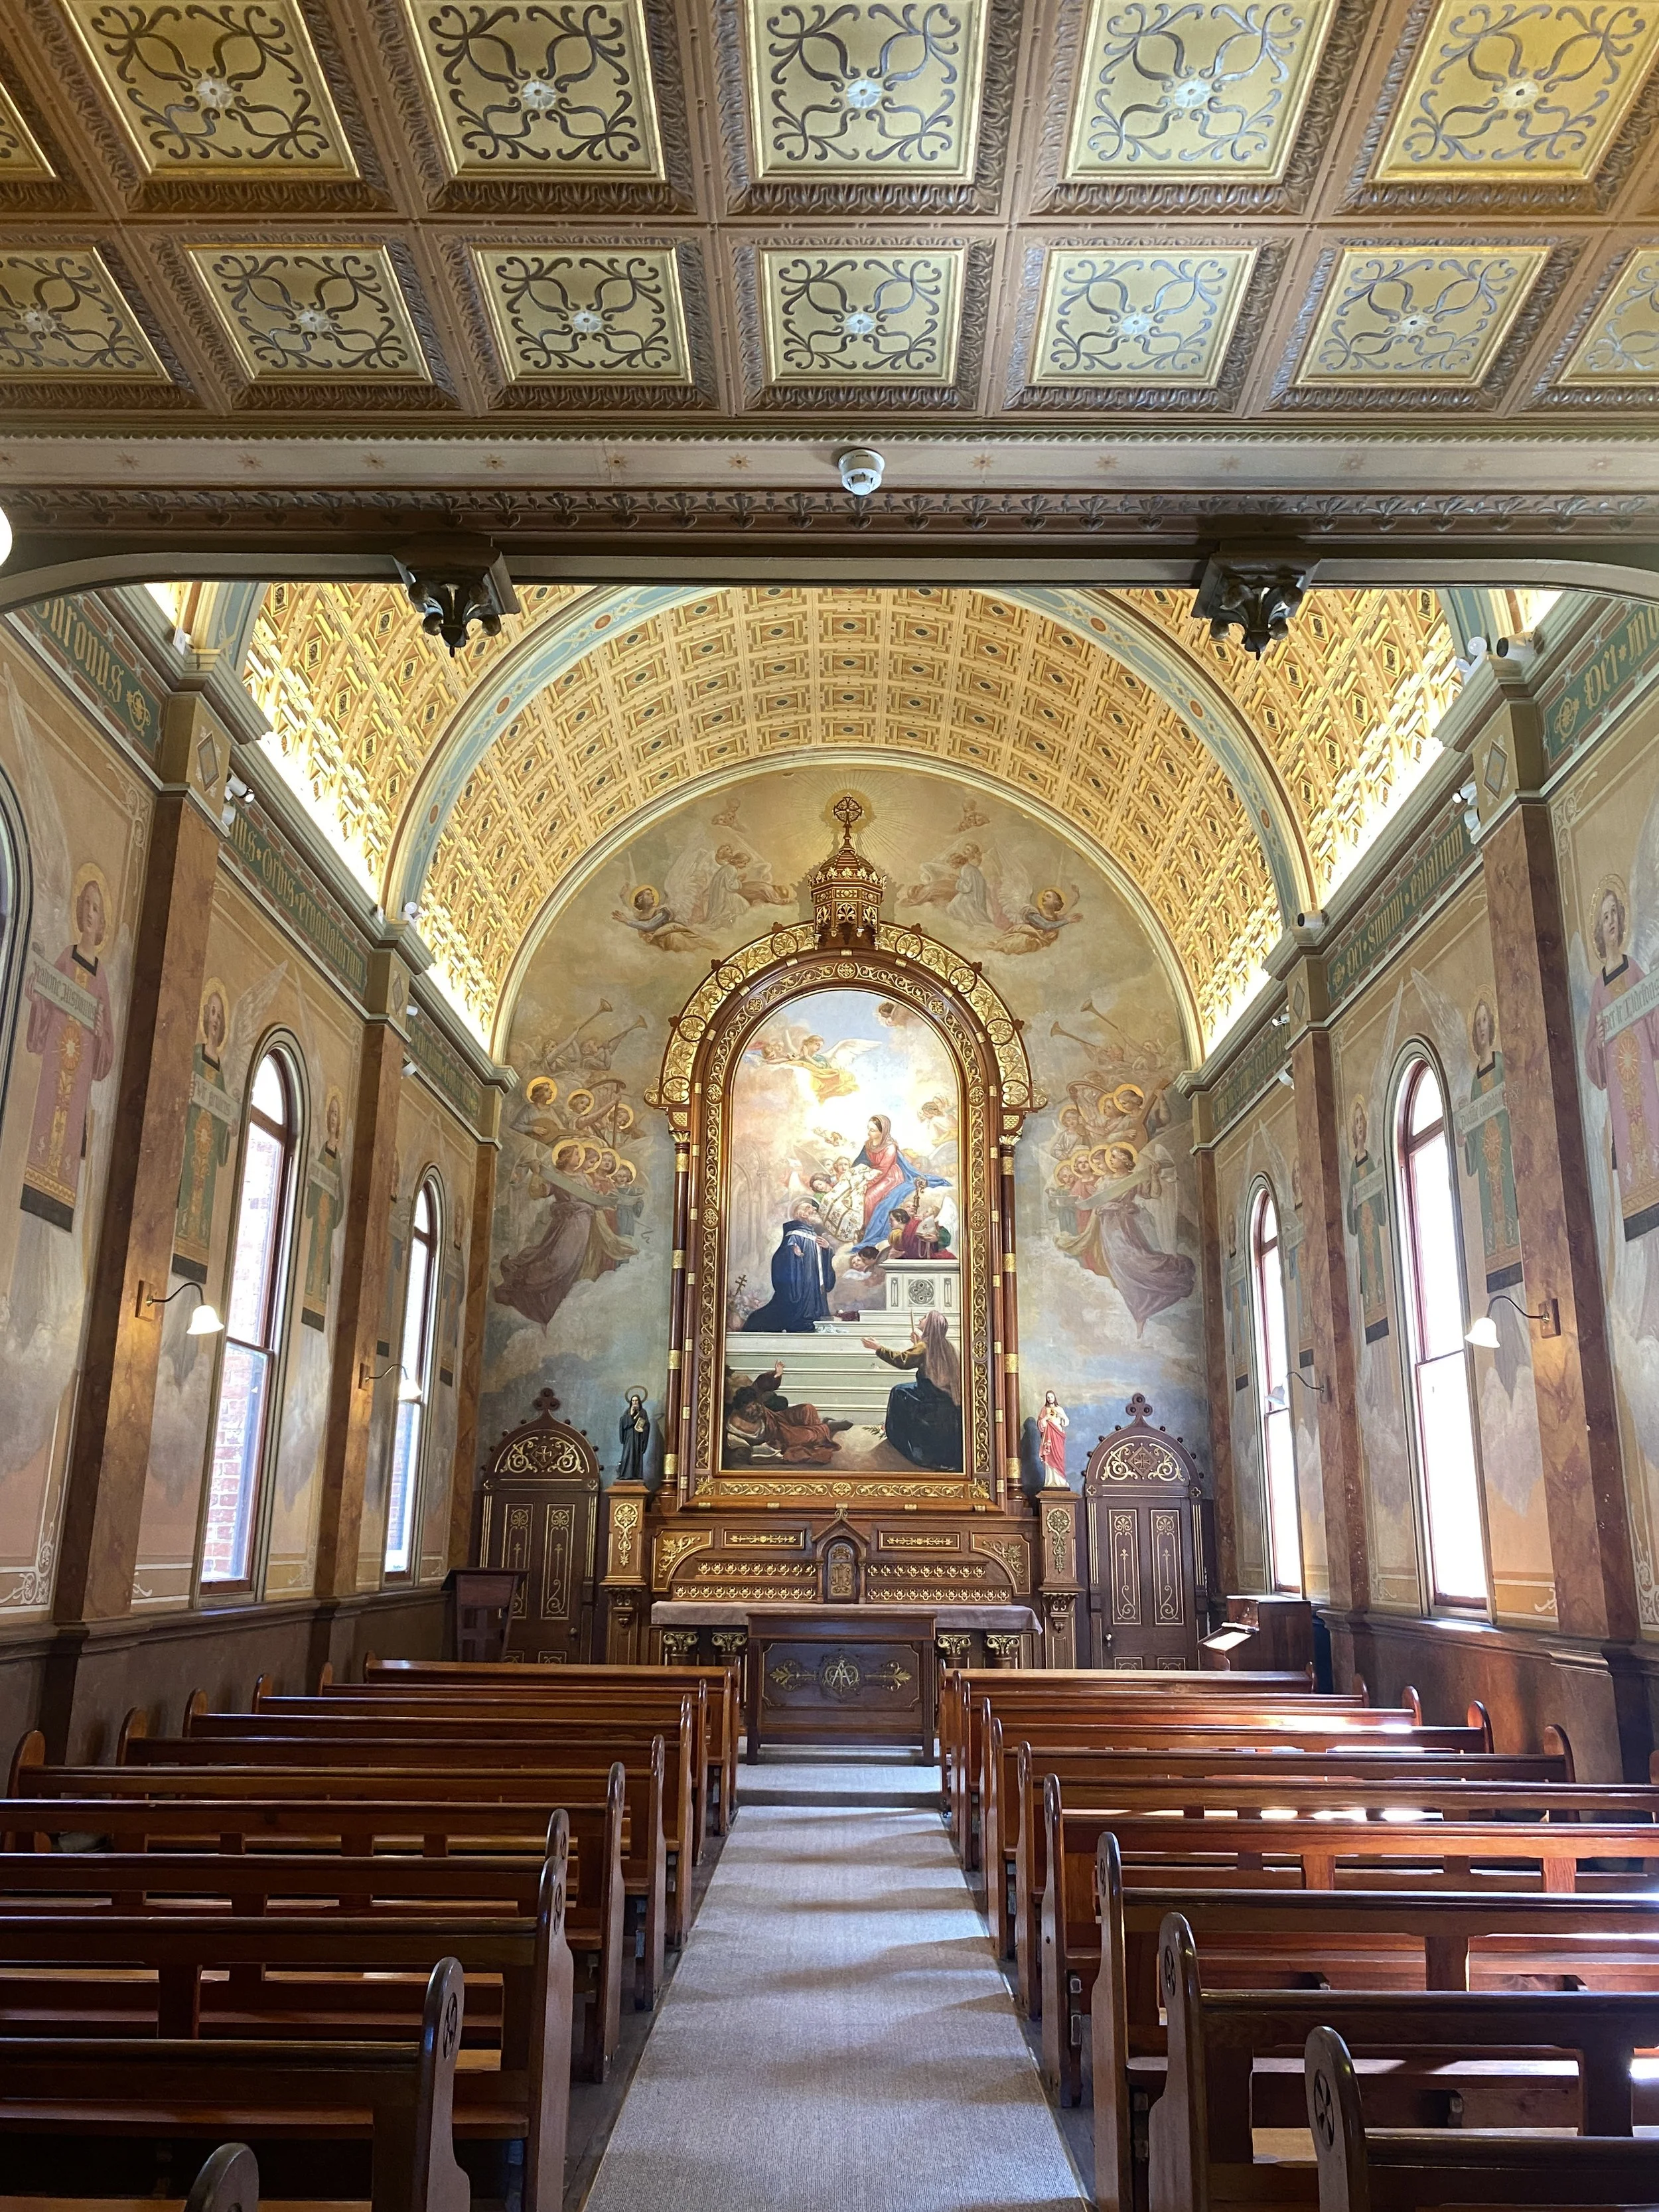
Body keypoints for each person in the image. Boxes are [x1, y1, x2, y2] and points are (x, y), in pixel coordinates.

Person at [861, 1309, 962, 1471]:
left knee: (899, 1392)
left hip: (930, 1394)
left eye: (924, 1318)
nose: (921, 1319)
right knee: (903, 1389)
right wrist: (919, 1343)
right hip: (945, 1395)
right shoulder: (946, 1345)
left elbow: (903, 1361)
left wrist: (878, 1348)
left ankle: (898, 1440)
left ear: (929, 1325)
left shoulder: (924, 1345)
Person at [743, 1199, 837, 1331]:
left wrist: (827, 1249)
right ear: (803, 1214)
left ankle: (813, 1318)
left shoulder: (814, 1235)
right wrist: (792, 1255)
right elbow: (781, 1258)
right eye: (810, 1208)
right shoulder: (795, 1234)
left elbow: (821, 1262)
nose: (815, 1210)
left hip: (814, 1285)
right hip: (803, 1284)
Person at [853, 1113, 946, 1244]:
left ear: (883, 1131)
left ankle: (867, 1229)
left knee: (869, 1197)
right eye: (869, 1129)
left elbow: (883, 1169)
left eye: (873, 1130)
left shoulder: (890, 1147)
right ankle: (859, 1226)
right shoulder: (868, 1144)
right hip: (873, 1174)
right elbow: (861, 1161)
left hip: (890, 1176)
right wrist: (856, 1173)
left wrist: (867, 1183)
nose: (869, 1133)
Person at [1037, 1390, 1070, 1487]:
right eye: (1048, 1397)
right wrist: (1045, 1418)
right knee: (1050, 1456)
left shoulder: (1059, 1409)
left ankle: (1061, 1481)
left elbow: (1066, 1422)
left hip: (1058, 1434)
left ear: (1055, 1398)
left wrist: (1062, 1416)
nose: (1050, 1399)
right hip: (1049, 1435)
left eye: (1051, 1397)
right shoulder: (1044, 1409)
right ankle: (1050, 1481)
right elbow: (1040, 1424)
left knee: (1059, 1456)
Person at [618, 1389, 651, 1484]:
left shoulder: (643, 1412)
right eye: (633, 1401)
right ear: (631, 1402)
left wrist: (643, 1430)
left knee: (636, 1455)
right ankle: (625, 1474)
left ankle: (636, 1475)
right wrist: (631, 1415)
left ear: (639, 1402)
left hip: (638, 1438)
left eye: (636, 1401)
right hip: (629, 1437)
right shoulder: (627, 1412)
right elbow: (623, 1423)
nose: (635, 1402)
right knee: (627, 1455)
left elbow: (647, 1425)